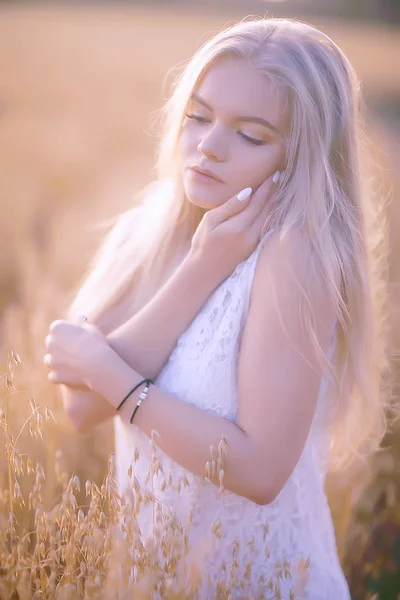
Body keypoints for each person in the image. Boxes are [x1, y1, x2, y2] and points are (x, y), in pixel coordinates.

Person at [43, 16, 391, 599]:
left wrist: (111, 374)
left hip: (262, 580)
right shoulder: (146, 230)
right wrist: (202, 266)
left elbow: (259, 471)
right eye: (198, 116)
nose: (207, 145)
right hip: (149, 580)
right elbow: (78, 407)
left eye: (251, 135)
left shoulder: (294, 259)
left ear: (301, 158)